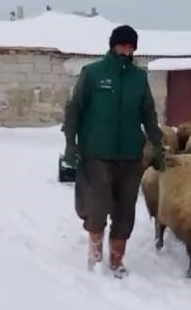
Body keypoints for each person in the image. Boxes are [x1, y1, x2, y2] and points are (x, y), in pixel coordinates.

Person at [62, 24, 165, 279]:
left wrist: (157, 144)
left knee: (125, 210)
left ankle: (117, 261)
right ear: (112, 45)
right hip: (97, 152)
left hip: (131, 155)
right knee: (98, 206)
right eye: (122, 44)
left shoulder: (139, 78)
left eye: (130, 46)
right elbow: (74, 108)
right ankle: (95, 257)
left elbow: (148, 114)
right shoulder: (93, 73)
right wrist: (71, 144)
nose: (126, 49)